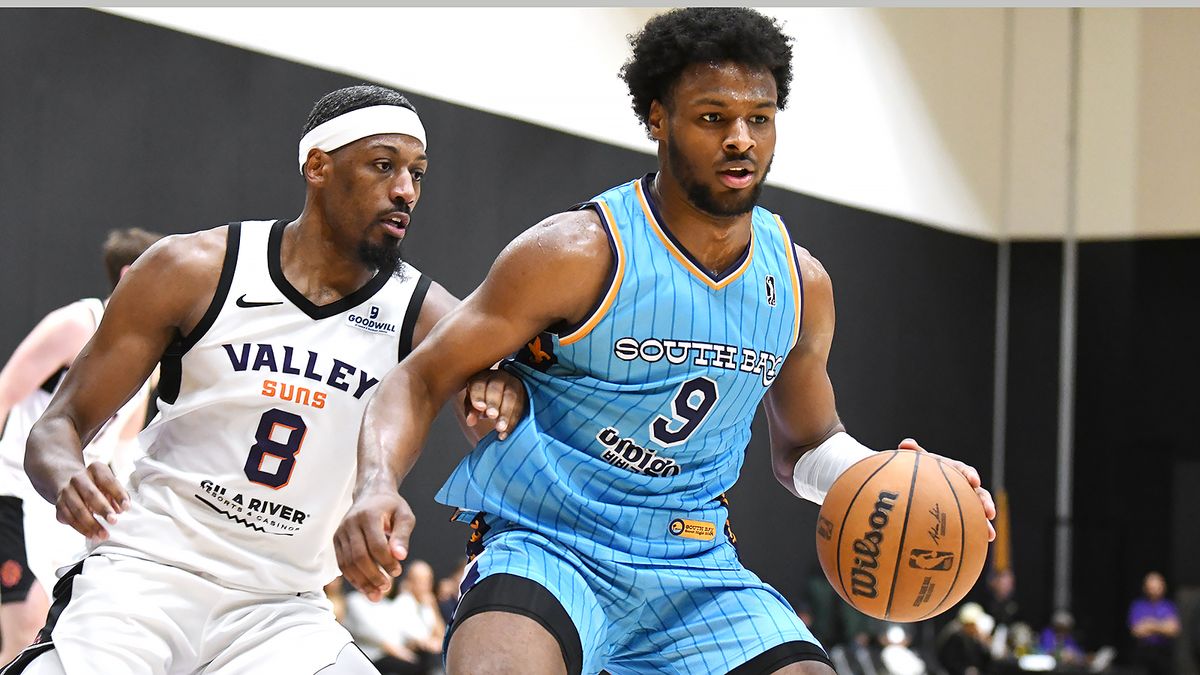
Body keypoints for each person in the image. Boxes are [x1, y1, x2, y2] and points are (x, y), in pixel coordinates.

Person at [335, 8, 995, 675]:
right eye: (713, 117)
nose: (740, 139)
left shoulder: (801, 284)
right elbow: (420, 377)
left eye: (759, 118)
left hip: (693, 565)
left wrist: (883, 475)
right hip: (551, 544)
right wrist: (375, 483)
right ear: (658, 119)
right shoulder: (575, 252)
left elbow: (804, 447)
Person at [5, 85, 526, 675]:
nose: (405, 190)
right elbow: (57, 426)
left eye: (417, 173)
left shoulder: (426, 314)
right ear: (317, 166)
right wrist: (70, 476)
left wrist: (494, 389)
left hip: (281, 608)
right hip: (147, 574)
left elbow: (503, 407)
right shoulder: (192, 269)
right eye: (383, 166)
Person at [0, 227, 161, 665]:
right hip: (15, 487)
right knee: (26, 618)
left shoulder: (152, 352)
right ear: (131, 274)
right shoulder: (77, 323)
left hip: (69, 507)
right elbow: (5, 392)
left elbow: (123, 446)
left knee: (68, 625)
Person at [1128, 571, 1179, 675]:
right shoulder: (1138, 606)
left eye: (1157, 587)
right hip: (1143, 653)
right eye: (1151, 587)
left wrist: (1150, 624)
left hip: (1164, 654)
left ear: (1163, 587)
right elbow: (1136, 631)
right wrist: (1162, 626)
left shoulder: (1169, 606)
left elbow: (1173, 630)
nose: (1154, 590)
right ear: (1145, 587)